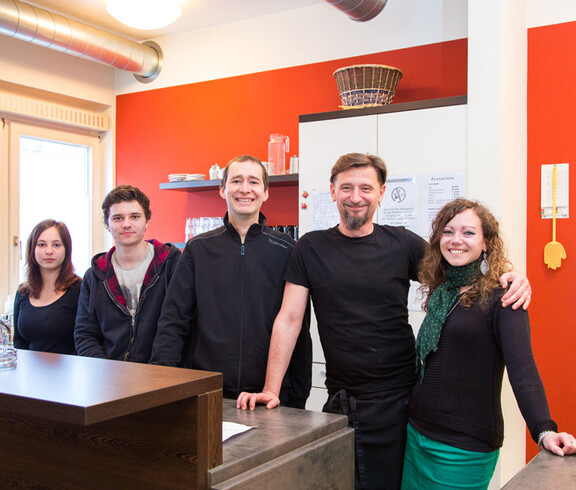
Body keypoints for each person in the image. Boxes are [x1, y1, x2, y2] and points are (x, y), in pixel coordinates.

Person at [237, 153, 531, 490]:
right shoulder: (310, 248)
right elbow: (289, 319)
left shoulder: (401, 243)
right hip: (341, 401)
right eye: (346, 187)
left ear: (381, 193)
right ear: (332, 191)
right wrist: (271, 389)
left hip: (399, 402)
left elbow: (459, 270)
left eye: (366, 187)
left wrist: (509, 275)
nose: (355, 196)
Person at [401, 198, 576, 489]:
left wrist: (544, 429)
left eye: (468, 232)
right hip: (416, 437)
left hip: (463, 447)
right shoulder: (442, 290)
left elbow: (523, 369)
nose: (456, 240)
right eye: (448, 231)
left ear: (486, 243)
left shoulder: (503, 297)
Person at [150, 155, 312, 408]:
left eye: (253, 182)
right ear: (222, 188)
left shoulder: (288, 250)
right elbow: (174, 320)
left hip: (270, 395)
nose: (245, 189)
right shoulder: (198, 249)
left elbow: (298, 327)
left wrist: (298, 396)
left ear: (266, 191)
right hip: (206, 390)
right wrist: (162, 380)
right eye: (236, 181)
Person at [74, 185, 180, 362]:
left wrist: (159, 374)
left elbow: (179, 326)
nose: (126, 224)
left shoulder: (172, 265)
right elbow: (85, 334)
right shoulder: (94, 276)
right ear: (107, 225)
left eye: (135, 217)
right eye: (118, 218)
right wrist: (104, 371)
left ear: (147, 221)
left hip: (162, 375)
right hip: (109, 378)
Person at [13, 219, 81, 354]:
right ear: (32, 249)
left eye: (56, 245)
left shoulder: (80, 289)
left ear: (66, 249)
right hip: (31, 372)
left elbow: (88, 338)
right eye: (42, 245)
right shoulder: (23, 292)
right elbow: (19, 342)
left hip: (70, 371)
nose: (49, 251)